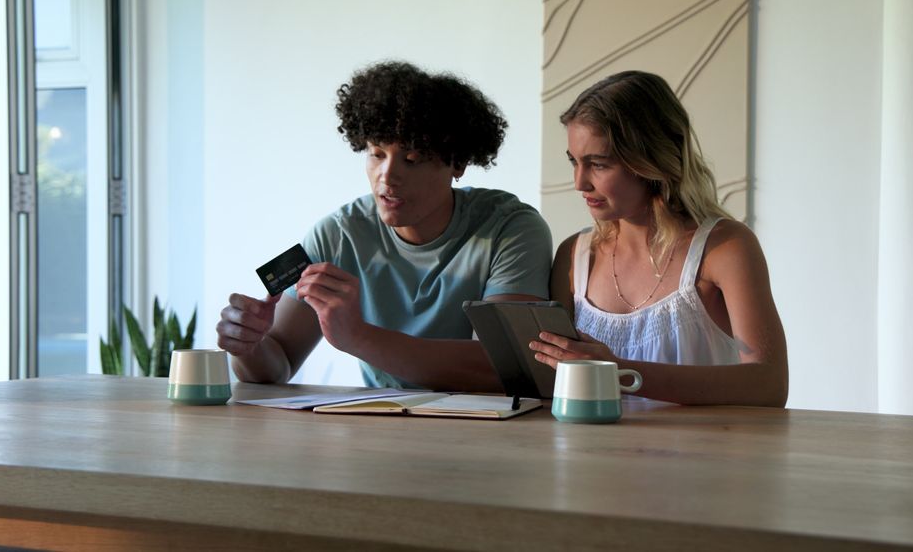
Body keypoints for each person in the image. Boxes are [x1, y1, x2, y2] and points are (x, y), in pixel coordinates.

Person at [217, 61, 552, 392]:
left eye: (411, 159)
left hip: (489, 433)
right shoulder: (337, 237)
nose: (387, 177)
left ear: (458, 162)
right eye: (376, 153)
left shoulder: (510, 229)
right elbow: (276, 365)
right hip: (380, 429)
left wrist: (358, 336)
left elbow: (506, 367)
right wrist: (248, 346)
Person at [529, 70, 788, 407]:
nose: (580, 182)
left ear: (650, 160)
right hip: (591, 458)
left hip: (702, 458)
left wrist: (620, 371)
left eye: (599, 164)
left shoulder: (725, 248)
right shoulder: (574, 256)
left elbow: (769, 385)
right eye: (574, 162)